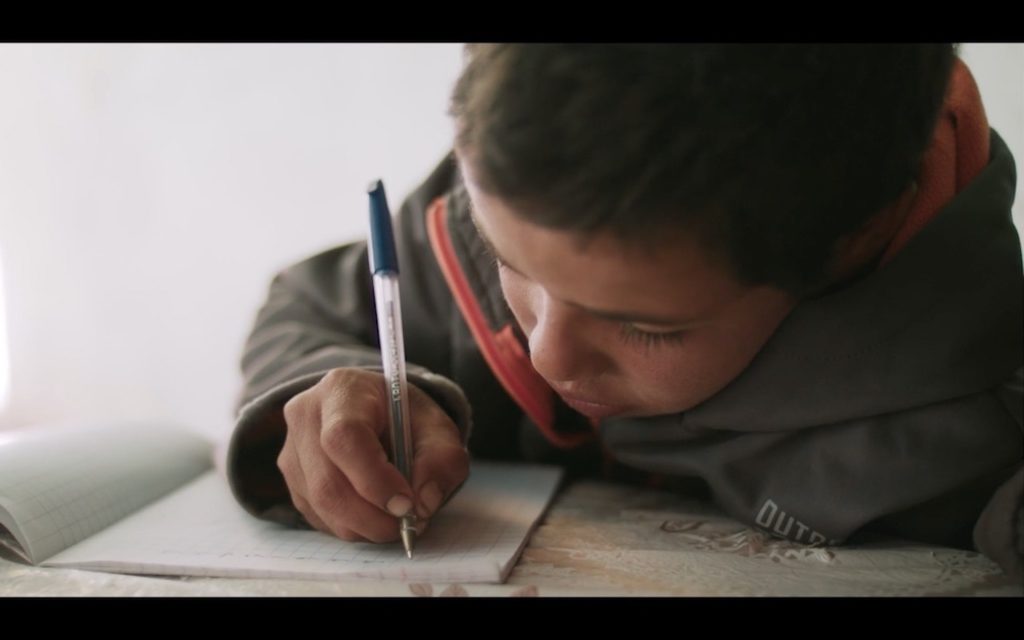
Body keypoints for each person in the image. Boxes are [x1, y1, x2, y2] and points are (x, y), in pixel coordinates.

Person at [224, 44, 1023, 580]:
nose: (548, 355)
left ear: (855, 243)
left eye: (647, 327)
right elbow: (308, 306)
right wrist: (336, 391)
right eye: (510, 264)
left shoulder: (978, 426)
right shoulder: (536, 184)